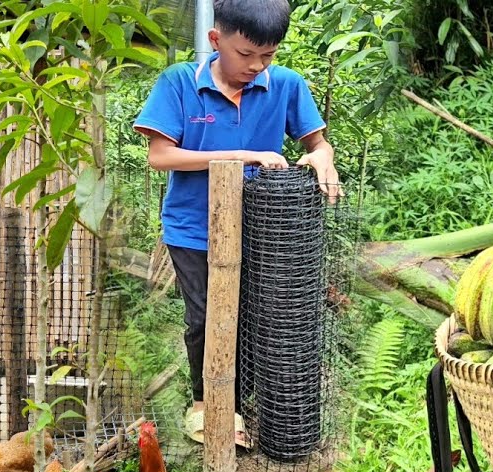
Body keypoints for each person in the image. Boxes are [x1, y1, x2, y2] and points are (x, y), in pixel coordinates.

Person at [133, 0, 341, 445]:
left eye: (268, 55)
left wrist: (323, 160)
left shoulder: (286, 85)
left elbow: (319, 144)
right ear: (215, 40)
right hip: (192, 228)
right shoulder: (178, 83)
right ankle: (206, 404)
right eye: (245, 55)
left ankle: (243, 402)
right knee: (207, 317)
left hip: (266, 230)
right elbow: (160, 156)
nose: (256, 66)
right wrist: (242, 156)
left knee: (260, 316)